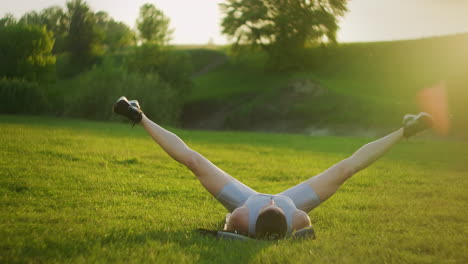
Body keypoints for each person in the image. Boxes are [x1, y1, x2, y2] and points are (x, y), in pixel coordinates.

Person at [113, 96, 433, 240]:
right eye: (273, 203)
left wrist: (232, 234)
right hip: (295, 200)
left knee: (194, 162)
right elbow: (306, 233)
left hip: (242, 198)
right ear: (285, 217)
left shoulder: (240, 216)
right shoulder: (297, 215)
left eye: (271, 204)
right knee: (346, 169)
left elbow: (229, 231)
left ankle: (138, 116)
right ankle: (406, 130)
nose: (271, 198)